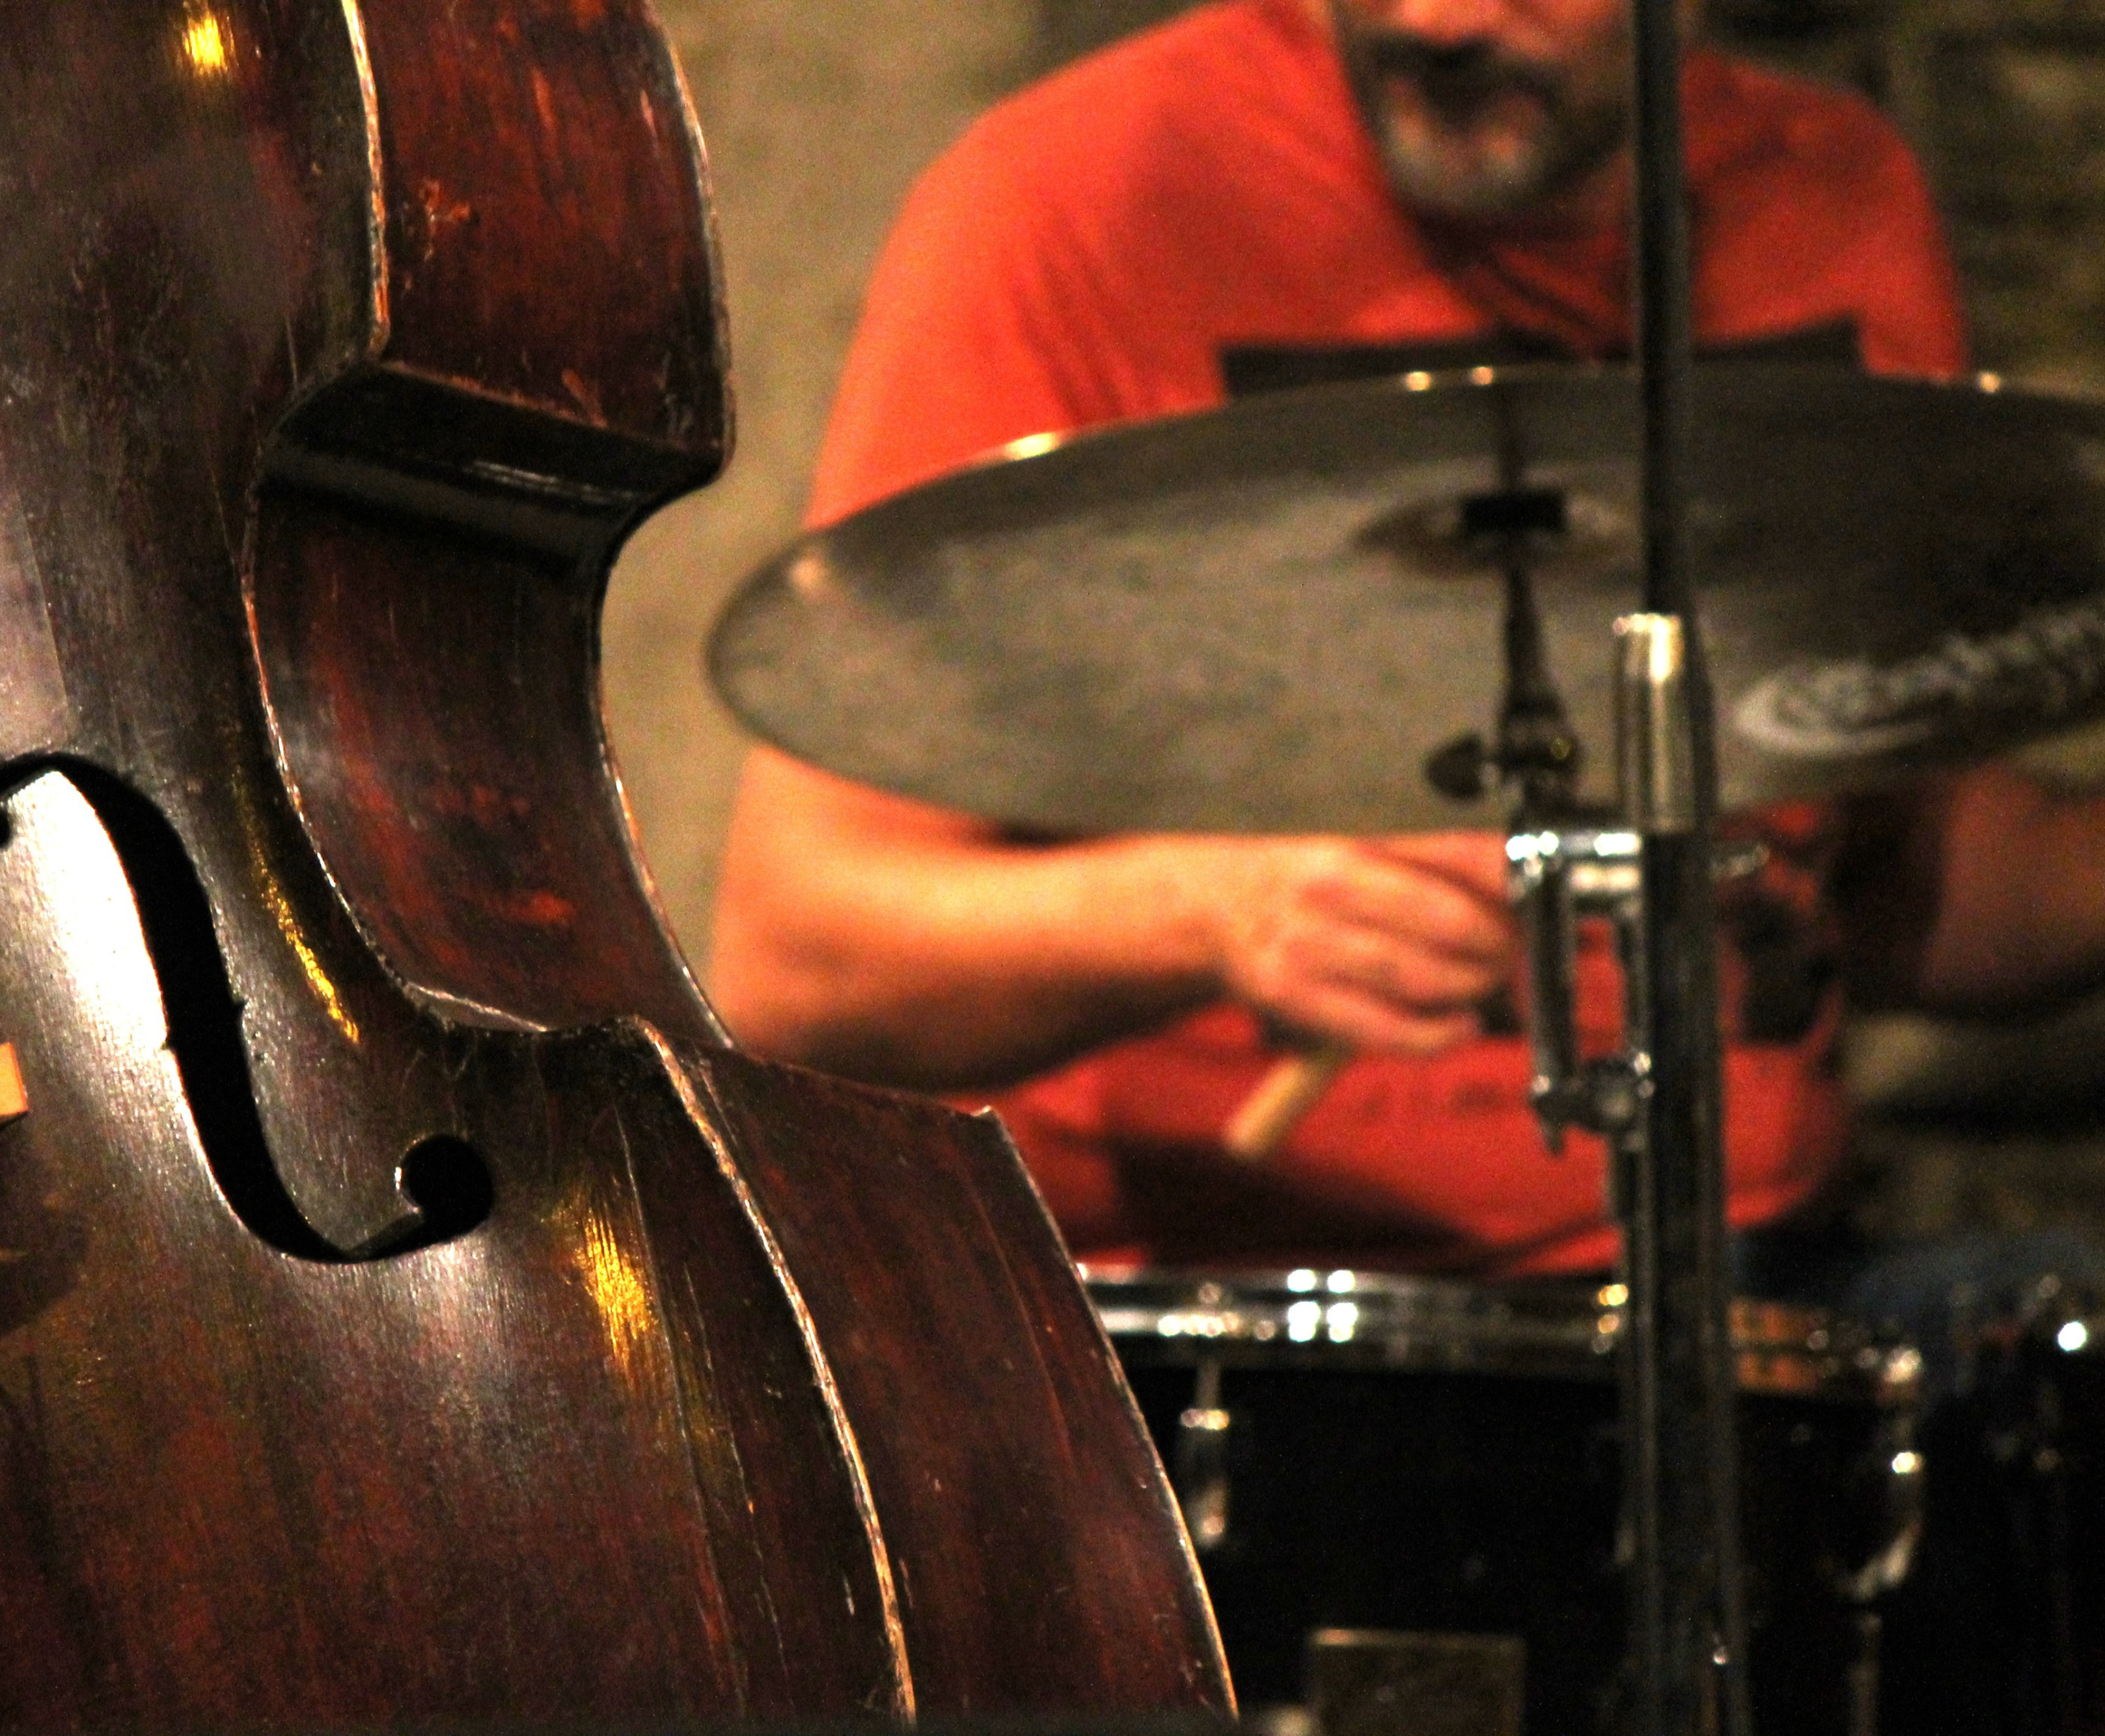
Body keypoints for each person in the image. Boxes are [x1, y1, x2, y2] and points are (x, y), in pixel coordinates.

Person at [706, 0, 2105, 1280]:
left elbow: (1890, 882)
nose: (1433, 19)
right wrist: (1211, 912)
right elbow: (796, 958)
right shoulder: (1079, 198)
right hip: (1250, 1339)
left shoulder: (1837, 194)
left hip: (1755, 1289)